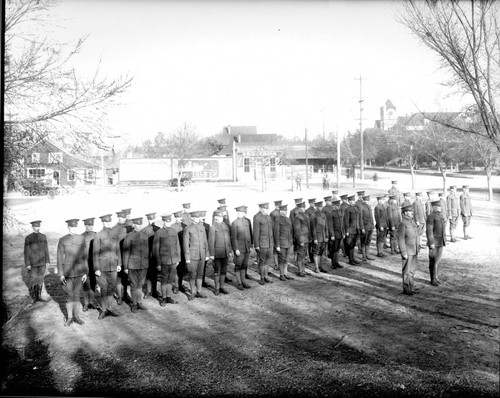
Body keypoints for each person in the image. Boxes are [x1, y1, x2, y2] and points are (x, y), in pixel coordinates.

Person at [57, 219, 88, 326]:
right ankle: (69, 318)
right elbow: (59, 258)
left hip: (79, 272)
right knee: (69, 296)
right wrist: (61, 274)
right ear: (68, 227)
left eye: (75, 227)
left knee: (77, 295)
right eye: (71, 227)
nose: (73, 229)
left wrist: (85, 272)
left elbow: (84, 257)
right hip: (68, 273)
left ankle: (77, 317)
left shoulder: (81, 238)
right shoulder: (62, 240)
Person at [93, 214, 121, 319]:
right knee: (103, 289)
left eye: (109, 222)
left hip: (113, 266)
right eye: (106, 222)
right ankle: (104, 310)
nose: (108, 223)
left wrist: (119, 264)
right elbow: (95, 253)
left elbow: (118, 250)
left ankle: (110, 309)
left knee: (111, 288)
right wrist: (96, 268)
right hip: (102, 267)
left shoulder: (115, 234)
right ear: (103, 222)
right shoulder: (98, 235)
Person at [122, 216, 150, 313]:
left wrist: (147, 263)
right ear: (133, 225)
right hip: (132, 265)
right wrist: (125, 267)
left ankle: (139, 302)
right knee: (134, 285)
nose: (139, 226)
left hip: (143, 264)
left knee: (140, 284)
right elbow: (125, 253)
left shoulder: (145, 235)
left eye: (140, 224)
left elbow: (147, 251)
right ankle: (134, 304)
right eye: (137, 224)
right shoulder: (129, 236)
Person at [153, 214, 180, 306]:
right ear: (163, 222)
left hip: (173, 260)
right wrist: (158, 263)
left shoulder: (174, 231)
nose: (167, 223)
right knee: (164, 279)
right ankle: (163, 298)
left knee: (171, 279)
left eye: (169, 221)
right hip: (163, 260)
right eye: (166, 221)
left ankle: (168, 297)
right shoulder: (159, 233)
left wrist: (178, 259)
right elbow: (155, 249)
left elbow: (177, 246)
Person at [183, 211, 210, 300]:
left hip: (202, 255)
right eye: (195, 217)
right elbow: (185, 245)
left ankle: (199, 292)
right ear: (192, 218)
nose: (197, 219)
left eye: (198, 217)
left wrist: (206, 254)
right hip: (192, 256)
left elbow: (205, 242)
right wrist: (187, 258)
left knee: (200, 274)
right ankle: (192, 293)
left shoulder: (202, 227)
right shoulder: (188, 229)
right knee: (192, 275)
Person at [24, 220, 50, 303]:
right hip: (33, 263)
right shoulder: (28, 238)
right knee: (32, 279)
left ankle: (38, 297)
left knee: (40, 279)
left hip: (42, 262)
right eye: (35, 226)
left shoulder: (43, 237)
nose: (37, 228)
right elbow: (26, 251)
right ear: (32, 227)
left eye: (38, 226)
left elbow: (46, 249)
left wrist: (47, 260)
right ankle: (33, 298)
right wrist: (27, 263)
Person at [397, 205, 420, 295]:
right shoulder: (403, 223)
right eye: (410, 211)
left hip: (414, 250)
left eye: (412, 211)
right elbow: (401, 239)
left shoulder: (412, 222)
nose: (412, 213)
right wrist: (403, 252)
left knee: (412, 270)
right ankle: (406, 289)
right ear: (405, 213)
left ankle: (411, 287)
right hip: (407, 251)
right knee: (406, 270)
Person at [208, 210, 232, 295]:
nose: (220, 218)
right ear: (215, 218)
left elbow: (228, 240)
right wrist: (211, 254)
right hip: (217, 253)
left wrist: (229, 251)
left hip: (225, 252)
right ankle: (217, 288)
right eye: (218, 217)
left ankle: (222, 287)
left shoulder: (225, 226)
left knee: (223, 270)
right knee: (217, 271)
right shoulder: (213, 227)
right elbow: (211, 242)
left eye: (221, 217)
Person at [231, 206, 253, 290]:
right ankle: (239, 283)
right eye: (238, 212)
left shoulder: (247, 221)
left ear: (244, 213)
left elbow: (250, 234)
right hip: (239, 249)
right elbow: (234, 237)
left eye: (242, 212)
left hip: (247, 248)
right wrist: (236, 249)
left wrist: (251, 245)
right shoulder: (234, 223)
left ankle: (244, 281)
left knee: (244, 265)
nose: (240, 214)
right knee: (238, 266)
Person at [112, 210, 132, 305]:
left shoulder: (129, 227)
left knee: (126, 277)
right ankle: (120, 296)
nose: (121, 219)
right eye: (120, 217)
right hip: (118, 256)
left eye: (123, 217)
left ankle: (125, 295)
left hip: (127, 256)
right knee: (119, 278)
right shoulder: (114, 229)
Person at [253, 202, 275, 285]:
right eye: (265, 209)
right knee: (262, 261)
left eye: (267, 208)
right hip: (262, 243)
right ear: (261, 209)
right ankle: (262, 278)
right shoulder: (257, 217)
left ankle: (266, 276)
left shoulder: (268, 217)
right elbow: (255, 232)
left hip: (269, 243)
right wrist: (256, 245)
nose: (267, 210)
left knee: (268, 261)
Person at [426, 200, 446, 286]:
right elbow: (429, 231)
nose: (439, 208)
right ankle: (432, 279)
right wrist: (431, 242)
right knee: (433, 261)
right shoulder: (431, 216)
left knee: (437, 261)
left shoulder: (440, 216)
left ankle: (436, 277)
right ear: (433, 207)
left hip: (440, 241)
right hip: (434, 242)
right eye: (437, 207)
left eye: (440, 206)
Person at [81, 217, 99, 312]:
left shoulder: (97, 235)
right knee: (85, 284)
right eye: (88, 225)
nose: (90, 227)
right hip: (84, 263)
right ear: (85, 226)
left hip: (94, 263)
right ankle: (86, 303)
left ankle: (91, 302)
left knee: (93, 283)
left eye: (91, 225)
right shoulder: (81, 236)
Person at [273, 204, 294, 281]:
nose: (284, 212)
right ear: (280, 211)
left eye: (285, 211)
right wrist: (277, 245)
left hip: (288, 243)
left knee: (286, 259)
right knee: (281, 259)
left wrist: (291, 242)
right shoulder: (277, 220)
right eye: (283, 211)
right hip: (281, 243)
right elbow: (276, 233)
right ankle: (281, 275)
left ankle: (286, 274)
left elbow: (291, 232)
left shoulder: (288, 219)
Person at [143, 213, 161, 299]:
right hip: (146, 255)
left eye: (152, 219)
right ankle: (148, 290)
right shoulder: (144, 230)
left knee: (155, 274)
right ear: (148, 219)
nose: (151, 221)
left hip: (155, 255)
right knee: (148, 274)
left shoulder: (158, 229)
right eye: (150, 219)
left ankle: (154, 290)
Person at [172, 210, 188, 294]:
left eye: (180, 217)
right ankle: (176, 286)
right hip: (176, 251)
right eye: (177, 217)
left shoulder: (185, 226)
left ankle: (180, 284)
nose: (179, 218)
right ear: (175, 218)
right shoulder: (172, 227)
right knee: (175, 270)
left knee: (181, 269)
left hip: (183, 250)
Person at [310, 201, 329, 273]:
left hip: (323, 237)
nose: (320, 208)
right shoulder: (313, 216)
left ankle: (320, 266)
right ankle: (316, 267)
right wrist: (314, 238)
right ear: (316, 207)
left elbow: (326, 226)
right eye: (319, 207)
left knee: (321, 252)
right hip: (317, 237)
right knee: (315, 252)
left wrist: (327, 236)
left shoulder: (324, 215)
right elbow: (313, 228)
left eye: (321, 206)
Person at [292, 201, 309, 277]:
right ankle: (300, 271)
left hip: (306, 239)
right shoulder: (297, 217)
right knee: (300, 256)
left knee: (303, 255)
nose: (303, 209)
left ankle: (303, 270)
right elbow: (297, 230)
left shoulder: (305, 215)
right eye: (302, 208)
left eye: (304, 207)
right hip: (301, 239)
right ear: (299, 208)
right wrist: (300, 240)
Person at [326, 199, 344, 269]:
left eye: (339, 205)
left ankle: (336, 262)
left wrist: (343, 233)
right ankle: (333, 263)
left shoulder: (339, 213)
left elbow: (342, 225)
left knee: (337, 249)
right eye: (337, 205)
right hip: (335, 234)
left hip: (340, 234)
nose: (338, 206)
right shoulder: (331, 214)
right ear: (333, 206)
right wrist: (332, 235)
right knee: (333, 249)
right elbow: (330, 226)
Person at [343, 195, 361, 265]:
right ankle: (350, 260)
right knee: (350, 245)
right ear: (349, 201)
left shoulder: (356, 208)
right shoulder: (347, 209)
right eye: (351, 201)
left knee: (353, 245)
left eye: (354, 200)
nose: (353, 202)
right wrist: (347, 231)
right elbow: (346, 221)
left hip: (356, 229)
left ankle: (353, 258)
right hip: (351, 230)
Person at [360, 194, 375, 261]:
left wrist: (372, 225)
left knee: (368, 241)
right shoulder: (361, 207)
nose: (367, 201)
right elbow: (360, 219)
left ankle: (367, 255)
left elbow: (371, 217)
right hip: (365, 227)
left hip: (370, 227)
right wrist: (362, 228)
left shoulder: (369, 207)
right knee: (363, 241)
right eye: (366, 200)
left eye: (368, 200)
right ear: (364, 200)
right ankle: (363, 256)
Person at [270, 200, 282, 270]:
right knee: (277, 249)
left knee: (276, 249)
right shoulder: (278, 213)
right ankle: (277, 264)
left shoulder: (272, 213)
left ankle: (277, 264)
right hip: (280, 233)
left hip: (275, 233)